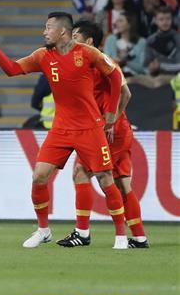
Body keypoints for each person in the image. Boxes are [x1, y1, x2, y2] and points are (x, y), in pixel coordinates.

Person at [0, 12, 128, 249]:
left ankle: (120, 235)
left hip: (89, 128)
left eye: (47, 28)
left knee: (106, 179)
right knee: (39, 177)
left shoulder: (87, 53)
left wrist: (110, 115)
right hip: (61, 129)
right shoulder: (43, 55)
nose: (44, 32)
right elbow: (13, 70)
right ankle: (43, 230)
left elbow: (115, 77)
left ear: (62, 31)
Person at [62, 21, 148, 248]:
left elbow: (126, 93)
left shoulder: (102, 62)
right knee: (121, 184)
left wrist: (110, 121)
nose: (71, 40)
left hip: (109, 131)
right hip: (117, 130)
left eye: (75, 36)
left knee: (81, 172)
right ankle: (139, 238)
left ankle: (82, 233)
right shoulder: (86, 63)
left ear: (89, 41)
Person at [144, 6, 180, 81]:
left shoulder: (177, 38)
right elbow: (145, 67)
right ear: (155, 21)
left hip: (176, 77)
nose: (165, 22)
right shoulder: (150, 40)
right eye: (161, 19)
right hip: (156, 78)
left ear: (172, 20)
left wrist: (160, 66)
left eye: (168, 19)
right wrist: (151, 69)